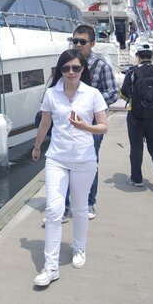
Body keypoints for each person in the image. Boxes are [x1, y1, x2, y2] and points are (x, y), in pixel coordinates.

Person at [32, 49, 108, 286]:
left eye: (76, 68)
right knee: (54, 211)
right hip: (56, 158)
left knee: (79, 207)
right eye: (66, 68)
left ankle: (79, 248)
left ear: (82, 69)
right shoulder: (52, 94)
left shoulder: (92, 94)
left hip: (84, 159)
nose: (71, 72)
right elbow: (45, 123)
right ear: (60, 71)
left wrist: (86, 127)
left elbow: (103, 126)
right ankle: (51, 267)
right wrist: (36, 148)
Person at [66, 24, 119, 220]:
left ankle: (89, 202)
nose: (78, 45)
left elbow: (113, 92)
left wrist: (91, 103)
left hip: (91, 124)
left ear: (92, 43)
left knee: (90, 163)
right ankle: (65, 205)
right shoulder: (67, 63)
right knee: (66, 162)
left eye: (82, 41)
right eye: (75, 41)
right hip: (68, 123)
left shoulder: (101, 65)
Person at [120, 43, 153, 194]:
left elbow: (124, 91)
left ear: (138, 55)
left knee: (137, 146)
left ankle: (136, 179)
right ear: (151, 55)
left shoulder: (133, 71)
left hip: (135, 115)